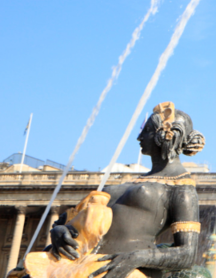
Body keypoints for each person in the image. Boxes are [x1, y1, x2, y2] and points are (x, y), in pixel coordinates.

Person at [49, 102, 205, 278]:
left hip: (123, 271)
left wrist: (135, 258)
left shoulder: (182, 189)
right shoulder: (134, 181)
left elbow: (187, 254)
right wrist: (60, 231)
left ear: (165, 135)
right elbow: (69, 222)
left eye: (146, 130)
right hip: (78, 264)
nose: (139, 137)